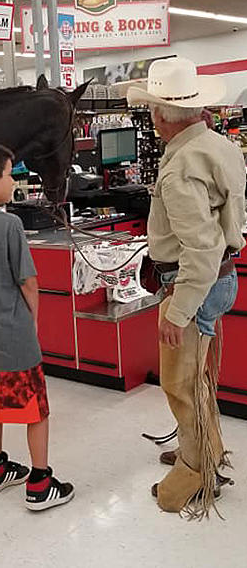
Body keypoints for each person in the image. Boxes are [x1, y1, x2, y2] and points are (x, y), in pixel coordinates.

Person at [127, 57, 246, 516]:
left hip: (191, 286)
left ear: (160, 117)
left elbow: (199, 250)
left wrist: (177, 312)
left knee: (180, 384)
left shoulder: (178, 171)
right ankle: (207, 449)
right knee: (200, 379)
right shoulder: (220, 147)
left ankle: (196, 475)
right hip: (222, 280)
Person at [0, 143, 74, 511]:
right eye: (9, 174)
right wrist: (33, 319)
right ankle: (40, 482)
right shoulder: (9, 224)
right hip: (13, 333)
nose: (13, 180)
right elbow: (28, 281)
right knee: (35, 408)